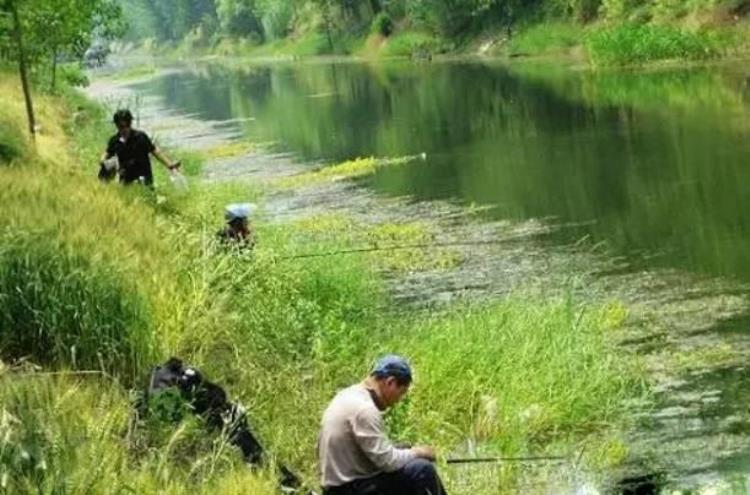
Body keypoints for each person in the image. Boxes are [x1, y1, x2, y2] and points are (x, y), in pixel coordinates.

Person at [142, 358, 310, 494]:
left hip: (192, 428)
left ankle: (289, 483)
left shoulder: (160, 383)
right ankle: (291, 485)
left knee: (252, 450)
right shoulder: (181, 393)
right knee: (252, 450)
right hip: (203, 431)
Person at [318, 355, 447, 495]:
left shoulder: (348, 395)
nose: (399, 400)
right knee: (422, 470)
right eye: (401, 392)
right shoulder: (365, 410)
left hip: (342, 484)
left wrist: (407, 451)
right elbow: (389, 462)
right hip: (348, 489)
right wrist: (419, 452)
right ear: (390, 382)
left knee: (404, 449)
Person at [100, 109, 180, 186]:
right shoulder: (115, 140)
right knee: (106, 168)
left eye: (125, 126)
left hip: (144, 178)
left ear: (130, 124)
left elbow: (155, 151)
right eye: (120, 127)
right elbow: (107, 153)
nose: (123, 130)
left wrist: (170, 165)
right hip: (126, 179)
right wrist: (103, 160)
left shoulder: (141, 137)